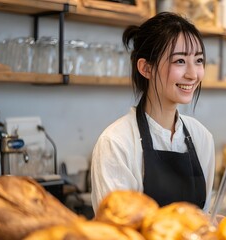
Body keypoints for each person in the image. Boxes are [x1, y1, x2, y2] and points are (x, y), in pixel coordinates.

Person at [90, 12, 215, 213]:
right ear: (146, 68)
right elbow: (115, 229)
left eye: (199, 60)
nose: (193, 74)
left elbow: (202, 215)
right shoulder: (116, 143)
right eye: (180, 61)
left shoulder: (202, 137)